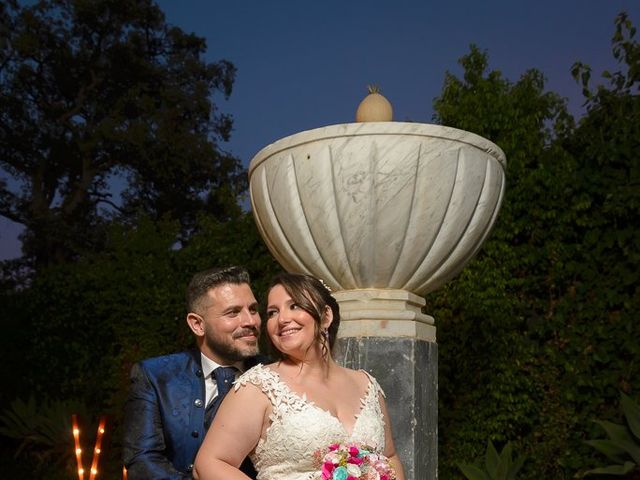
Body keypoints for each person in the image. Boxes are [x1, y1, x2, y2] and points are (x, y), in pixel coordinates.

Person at [193, 272, 405, 480]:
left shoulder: (366, 384)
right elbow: (209, 463)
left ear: (326, 316)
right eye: (273, 312)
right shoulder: (258, 387)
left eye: (294, 306)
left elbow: (389, 457)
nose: (282, 319)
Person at [123, 266, 266, 479]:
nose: (250, 321)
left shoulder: (276, 375)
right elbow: (142, 459)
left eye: (253, 309)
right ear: (197, 324)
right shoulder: (156, 376)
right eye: (233, 312)